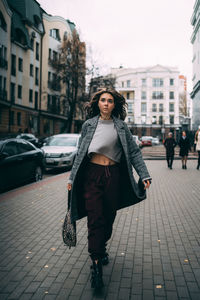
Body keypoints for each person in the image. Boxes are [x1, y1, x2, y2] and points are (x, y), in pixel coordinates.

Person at [67, 88, 151, 289]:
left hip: (113, 176)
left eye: (110, 101)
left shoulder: (121, 127)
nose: (106, 103)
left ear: (115, 105)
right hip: (91, 175)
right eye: (103, 100)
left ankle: (101, 246)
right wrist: (71, 178)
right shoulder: (89, 125)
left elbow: (134, 152)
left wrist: (144, 174)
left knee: (109, 215)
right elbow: (80, 153)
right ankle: (95, 263)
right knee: (95, 217)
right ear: (98, 103)